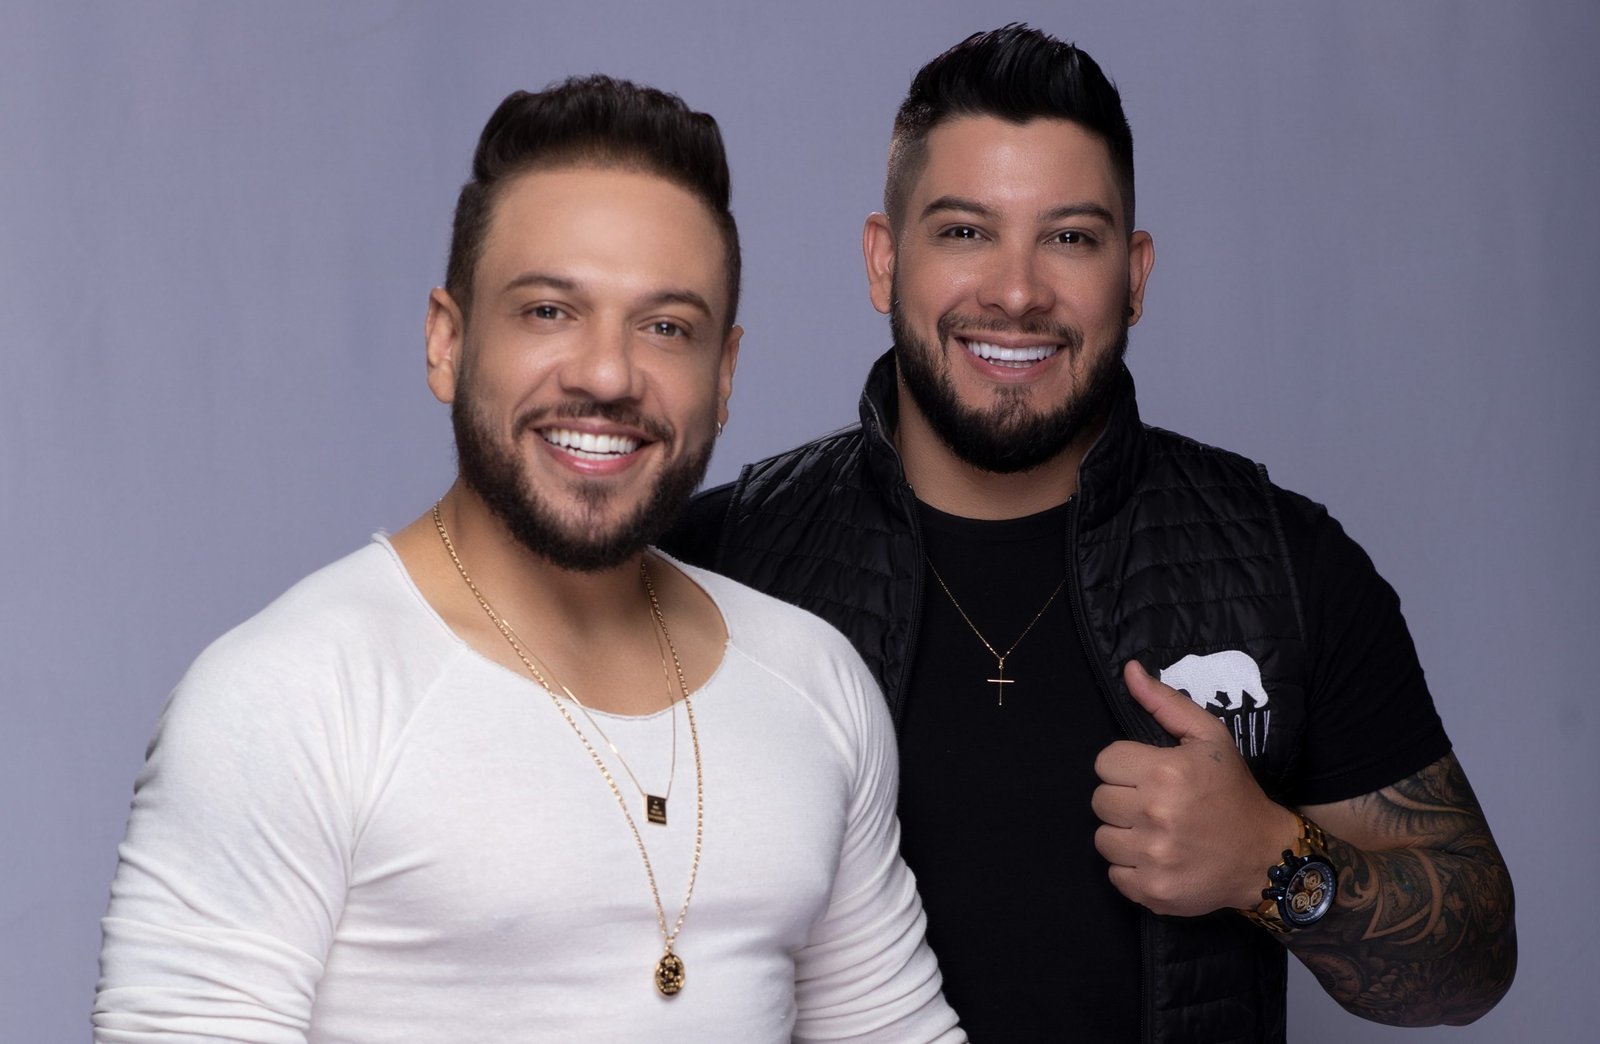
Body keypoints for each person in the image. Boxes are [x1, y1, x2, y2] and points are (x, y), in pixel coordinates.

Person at [666, 24, 1516, 1042]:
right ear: (884, 262)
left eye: (1069, 237)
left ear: (1135, 275)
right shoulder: (718, 566)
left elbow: (1472, 967)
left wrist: (1270, 863)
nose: (1017, 291)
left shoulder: (1283, 566)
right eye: (964, 232)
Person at [93, 76, 962, 1043]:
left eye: (666, 327)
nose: (608, 374)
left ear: (723, 376)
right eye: (549, 311)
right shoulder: (292, 694)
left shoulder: (812, 680)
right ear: (447, 342)